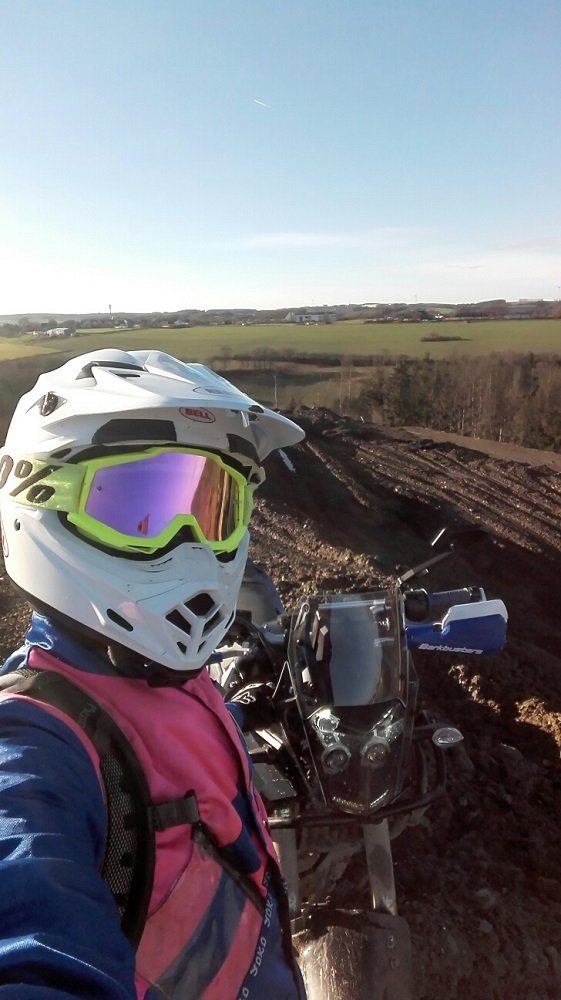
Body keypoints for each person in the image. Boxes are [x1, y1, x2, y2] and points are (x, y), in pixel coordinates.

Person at [0, 349, 306, 999]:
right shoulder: (31, 751)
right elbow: (29, 936)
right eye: (143, 509)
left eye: (214, 509)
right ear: (41, 498)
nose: (190, 545)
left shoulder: (177, 681)